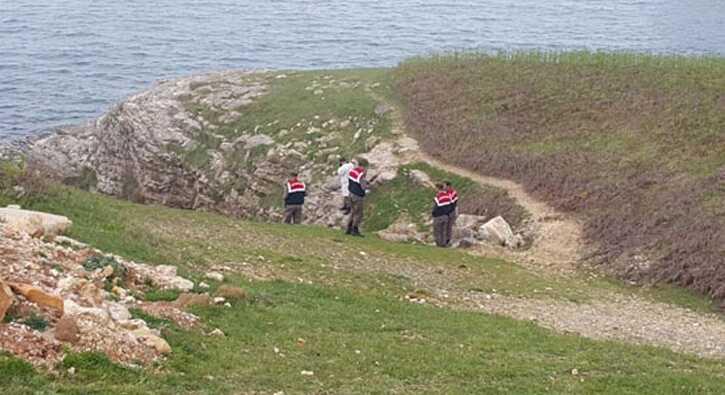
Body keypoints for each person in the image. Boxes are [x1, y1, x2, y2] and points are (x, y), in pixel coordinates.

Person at [346, 162, 368, 236]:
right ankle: (355, 229)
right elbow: (363, 187)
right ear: (363, 167)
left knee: (353, 212)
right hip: (357, 196)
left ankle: (348, 228)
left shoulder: (352, 171)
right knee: (359, 213)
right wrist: (368, 187)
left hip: (350, 193)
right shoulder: (361, 175)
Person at [432, 183, 454, 247]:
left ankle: (439, 244)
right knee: (444, 231)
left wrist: (434, 214)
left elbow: (436, 207)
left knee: (437, 231)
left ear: (438, 188)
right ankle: (444, 244)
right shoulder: (448, 196)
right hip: (446, 216)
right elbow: (451, 205)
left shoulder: (438, 197)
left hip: (438, 216)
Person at [444, 181, 459, 246]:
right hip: (446, 211)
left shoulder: (453, 193)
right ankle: (445, 240)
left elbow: (453, 203)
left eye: (444, 186)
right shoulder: (445, 193)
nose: (444, 187)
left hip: (451, 211)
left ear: (448, 186)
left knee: (450, 226)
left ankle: (449, 240)